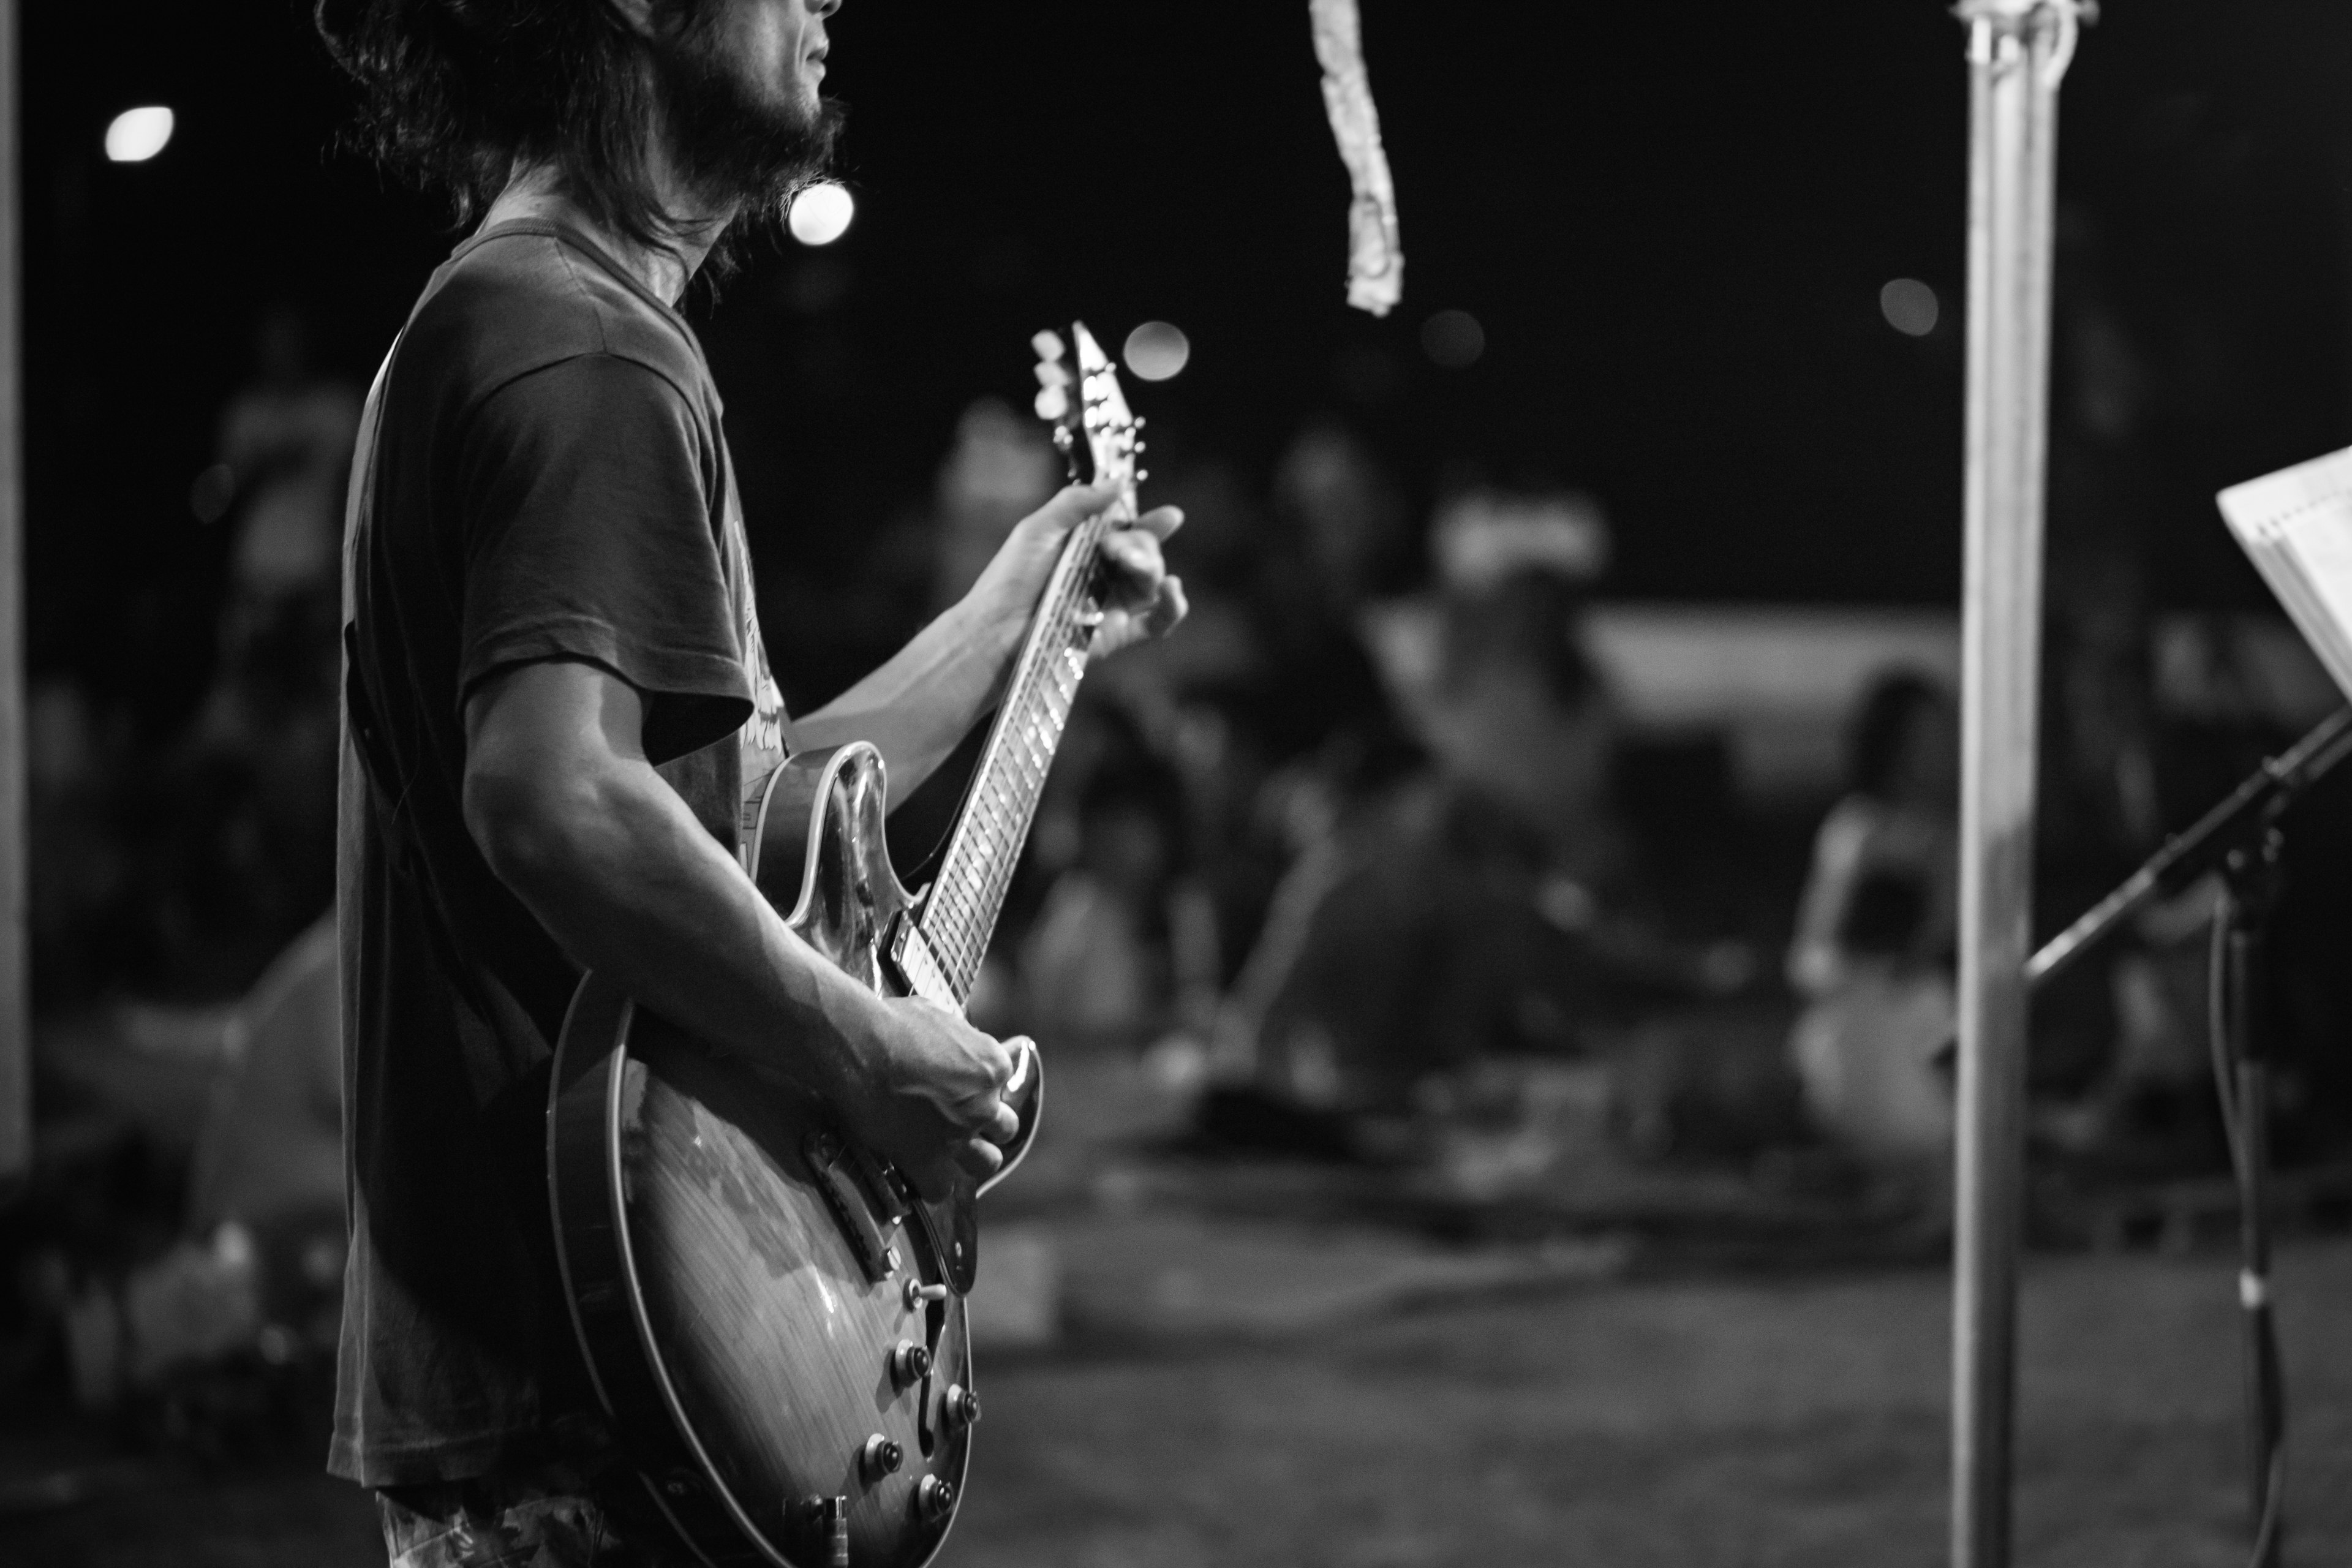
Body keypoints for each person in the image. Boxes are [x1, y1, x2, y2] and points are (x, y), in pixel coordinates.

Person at [309, 1, 1186, 1561]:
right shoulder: (580, 348)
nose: (827, 4)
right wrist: (868, 1052)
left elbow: (753, 811)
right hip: (597, 1377)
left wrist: (1025, 605)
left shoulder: (531, 317)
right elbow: (560, 801)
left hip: (592, 1367)